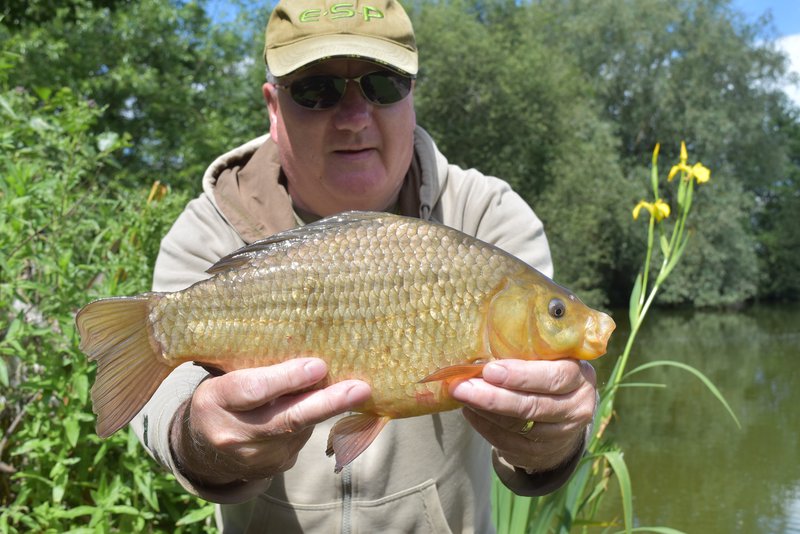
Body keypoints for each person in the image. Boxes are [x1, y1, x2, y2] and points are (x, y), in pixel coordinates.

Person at [131, 0, 598, 531]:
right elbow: (157, 399)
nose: (354, 118)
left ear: (412, 95)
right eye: (317, 90)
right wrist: (198, 434)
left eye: (382, 85)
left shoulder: (487, 218)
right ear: (274, 106)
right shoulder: (209, 228)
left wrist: (554, 436)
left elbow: (556, 397)